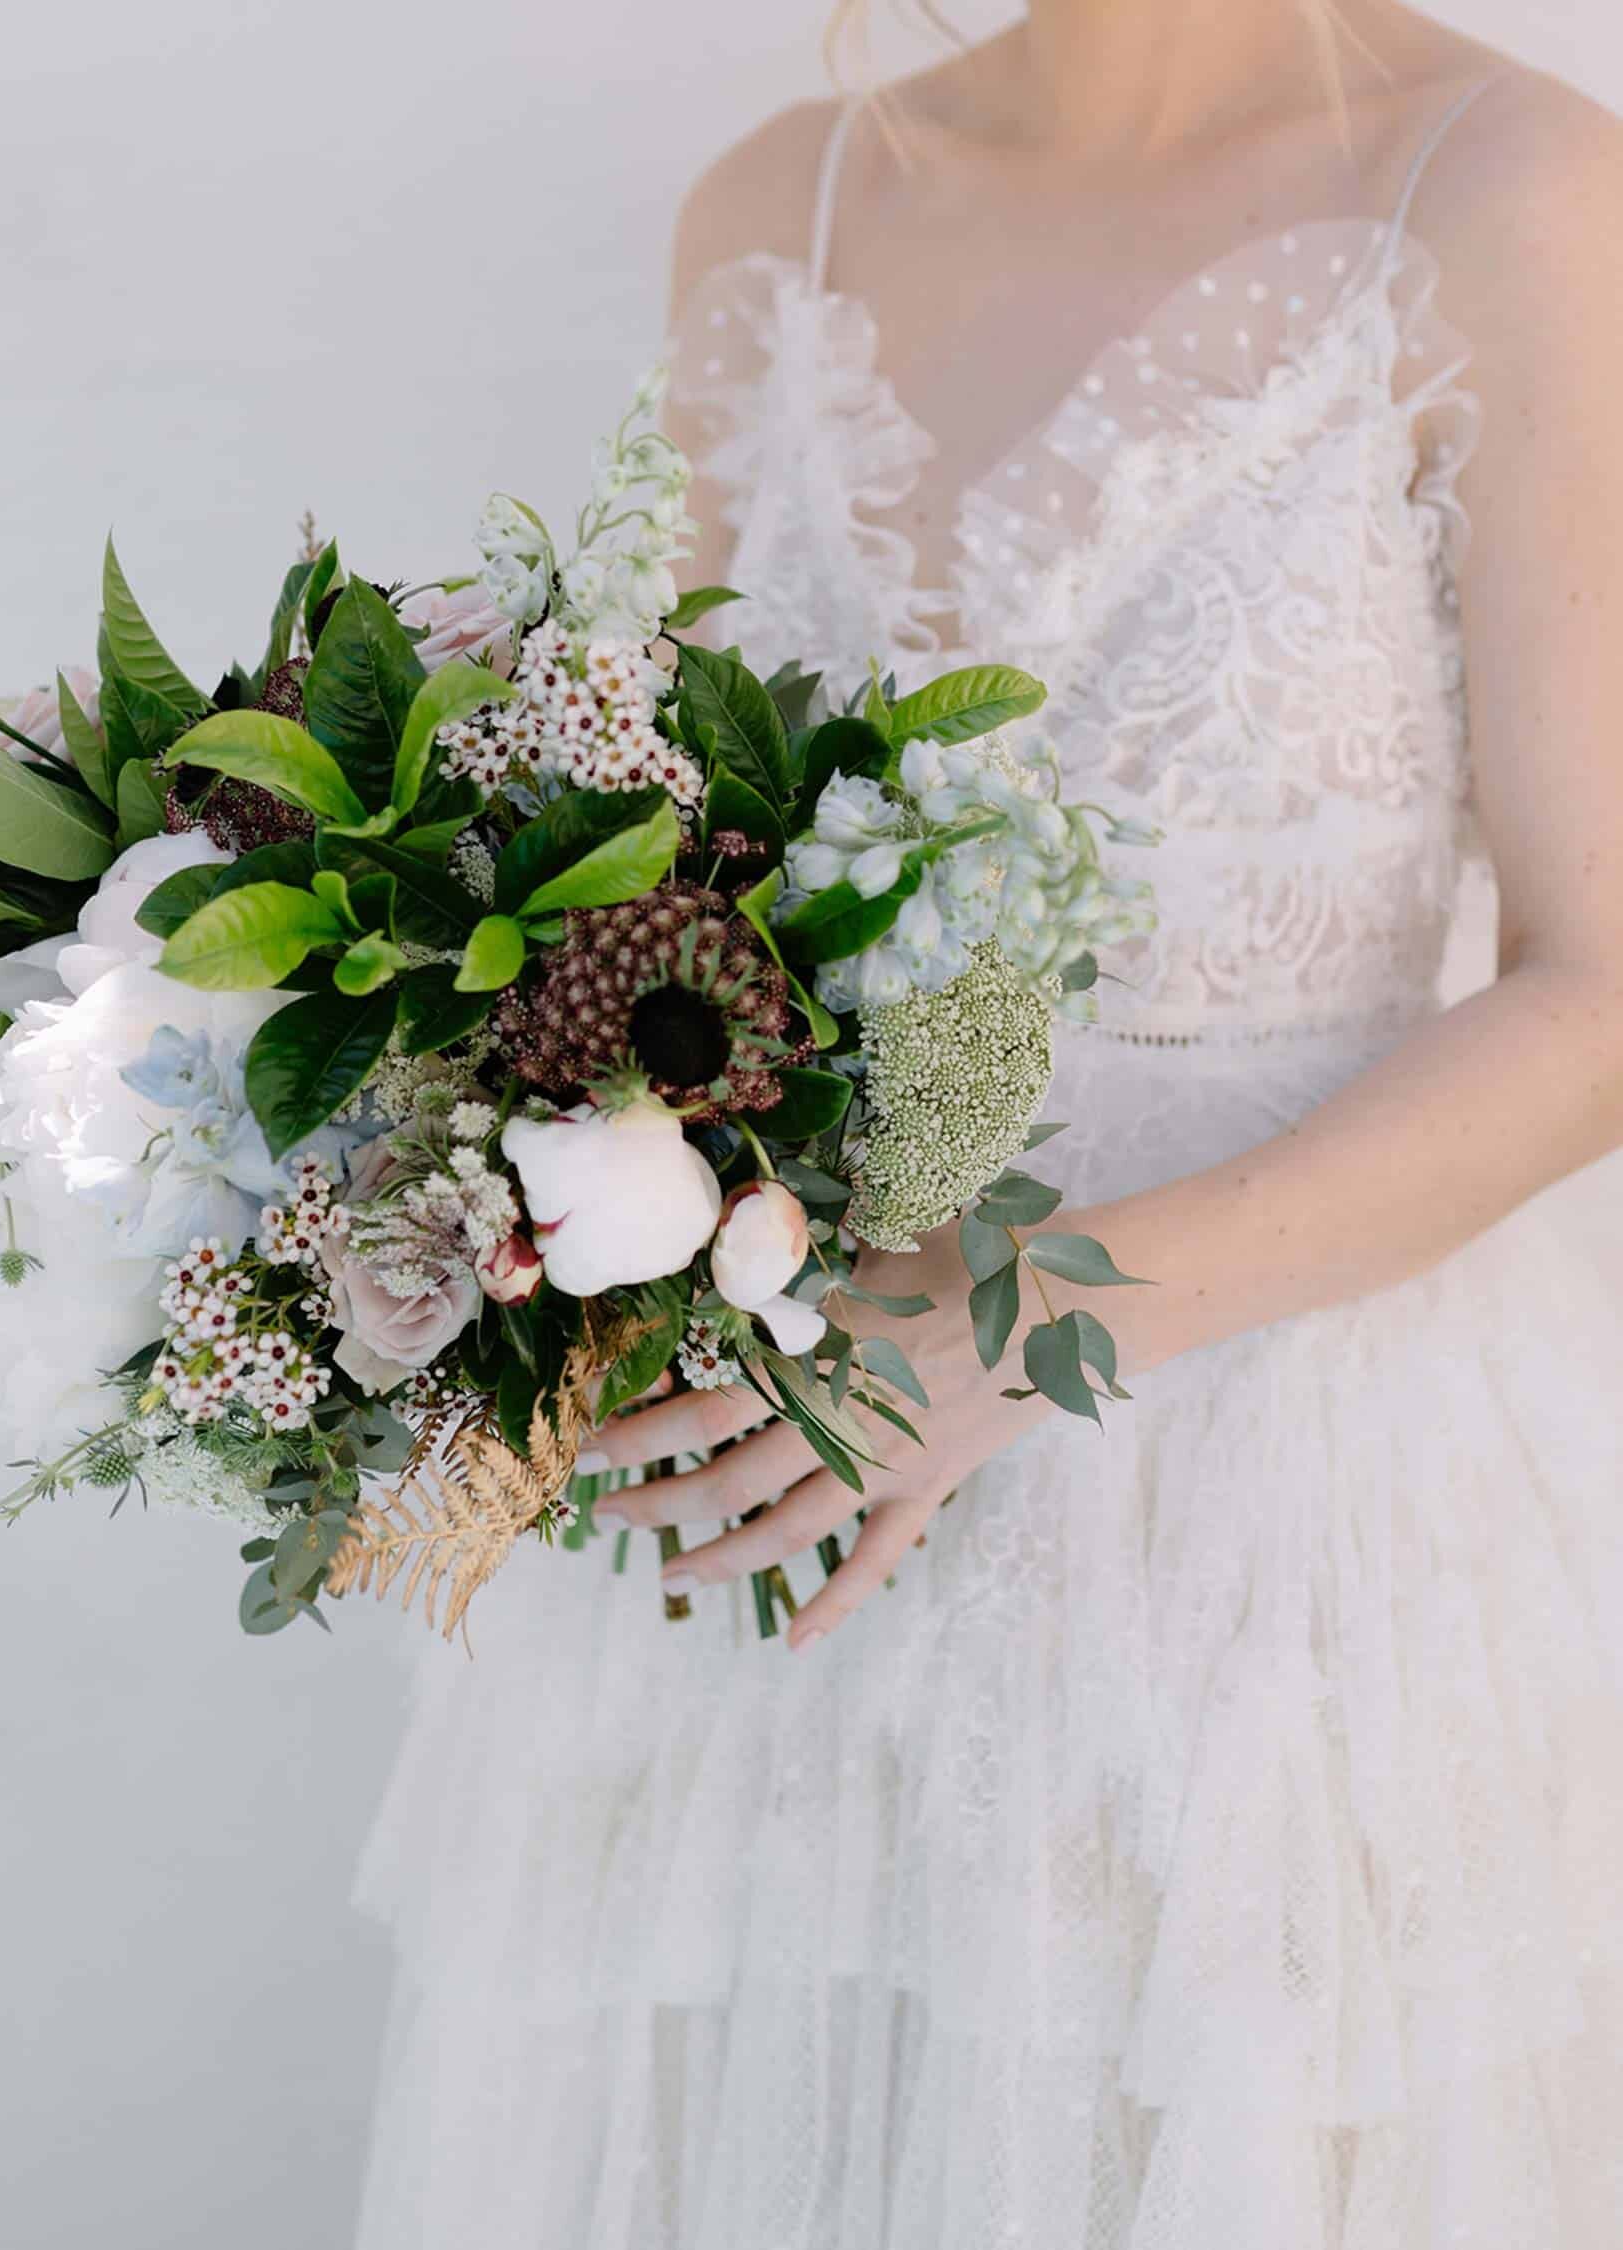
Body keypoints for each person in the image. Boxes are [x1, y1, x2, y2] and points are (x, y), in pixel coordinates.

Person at [353, 4, 1623, 2241]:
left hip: (1285, 1512)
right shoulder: (778, 207)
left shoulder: (1511, 191)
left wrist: (1019, 1316)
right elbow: (668, 897)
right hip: (780, 1512)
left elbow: (1597, 993)